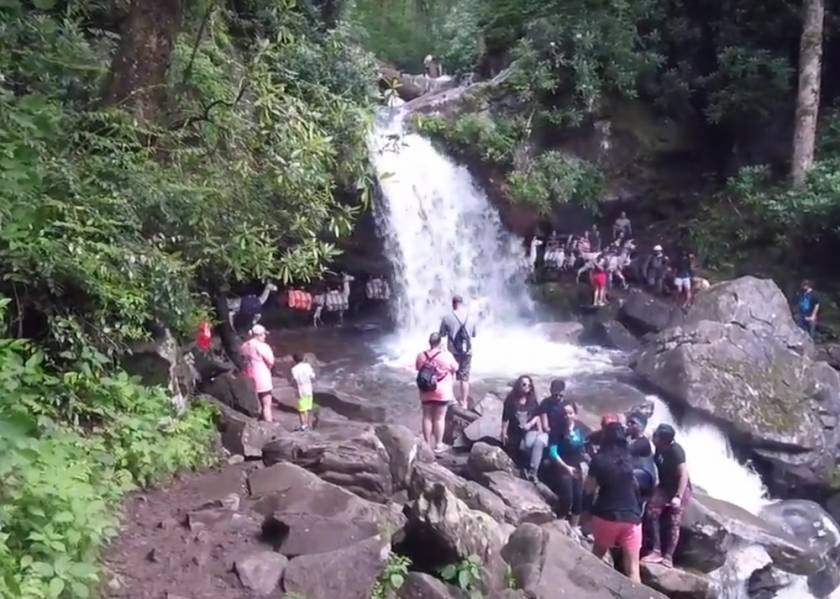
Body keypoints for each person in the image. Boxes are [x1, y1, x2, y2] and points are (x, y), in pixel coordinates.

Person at [584, 422, 643, 583]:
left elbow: (588, 489)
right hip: (631, 517)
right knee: (633, 570)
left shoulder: (599, 460)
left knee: (596, 557)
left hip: (605, 515)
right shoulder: (629, 457)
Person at [643, 424, 691, 568]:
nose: (654, 437)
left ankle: (668, 557)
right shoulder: (658, 446)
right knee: (652, 511)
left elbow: (684, 475)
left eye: (656, 436)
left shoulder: (676, 451)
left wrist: (678, 496)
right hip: (664, 486)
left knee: (674, 521)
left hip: (678, 489)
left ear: (665, 440)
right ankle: (656, 550)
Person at [545, 400, 589, 528]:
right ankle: (559, 523)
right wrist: (566, 467)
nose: (567, 416)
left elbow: (589, 444)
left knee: (578, 497)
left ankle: (574, 527)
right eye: (564, 414)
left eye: (570, 413)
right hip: (562, 464)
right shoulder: (557, 429)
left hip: (578, 465)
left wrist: (585, 463)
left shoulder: (581, 428)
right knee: (567, 497)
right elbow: (553, 452)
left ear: (575, 414)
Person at [415, 332, 459, 454]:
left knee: (426, 416)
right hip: (442, 392)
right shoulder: (446, 356)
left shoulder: (421, 355)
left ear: (430, 342)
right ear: (440, 343)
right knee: (440, 418)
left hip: (426, 390)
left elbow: (418, 368)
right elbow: (456, 368)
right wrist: (446, 352)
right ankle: (439, 445)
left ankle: (427, 444)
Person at [501, 375, 546, 481]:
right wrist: (503, 431)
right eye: (524, 384)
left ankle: (531, 471)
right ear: (518, 385)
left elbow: (537, 415)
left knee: (528, 445)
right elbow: (505, 416)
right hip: (515, 429)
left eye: (529, 385)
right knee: (512, 449)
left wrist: (531, 425)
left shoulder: (532, 399)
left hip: (529, 429)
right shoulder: (511, 399)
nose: (527, 387)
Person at [439, 295, 476, 409]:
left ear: (453, 303)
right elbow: (473, 335)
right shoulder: (471, 317)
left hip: (452, 352)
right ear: (462, 303)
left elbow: (442, 334)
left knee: (449, 375)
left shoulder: (447, 317)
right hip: (467, 352)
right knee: (464, 377)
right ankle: (464, 402)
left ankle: (450, 399)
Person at [239, 324, 275, 422]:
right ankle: (269, 428)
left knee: (254, 406)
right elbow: (271, 361)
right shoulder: (262, 346)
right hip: (262, 378)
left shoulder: (244, 346)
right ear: (258, 335)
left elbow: (241, 360)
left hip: (248, 378)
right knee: (266, 406)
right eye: (263, 334)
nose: (265, 336)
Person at [291, 353, 316, 431]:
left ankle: (304, 426)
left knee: (302, 410)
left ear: (294, 360)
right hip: (309, 389)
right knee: (308, 408)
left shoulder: (294, 369)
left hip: (300, 390)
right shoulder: (307, 366)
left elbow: (294, 380)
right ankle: (308, 425)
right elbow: (313, 376)